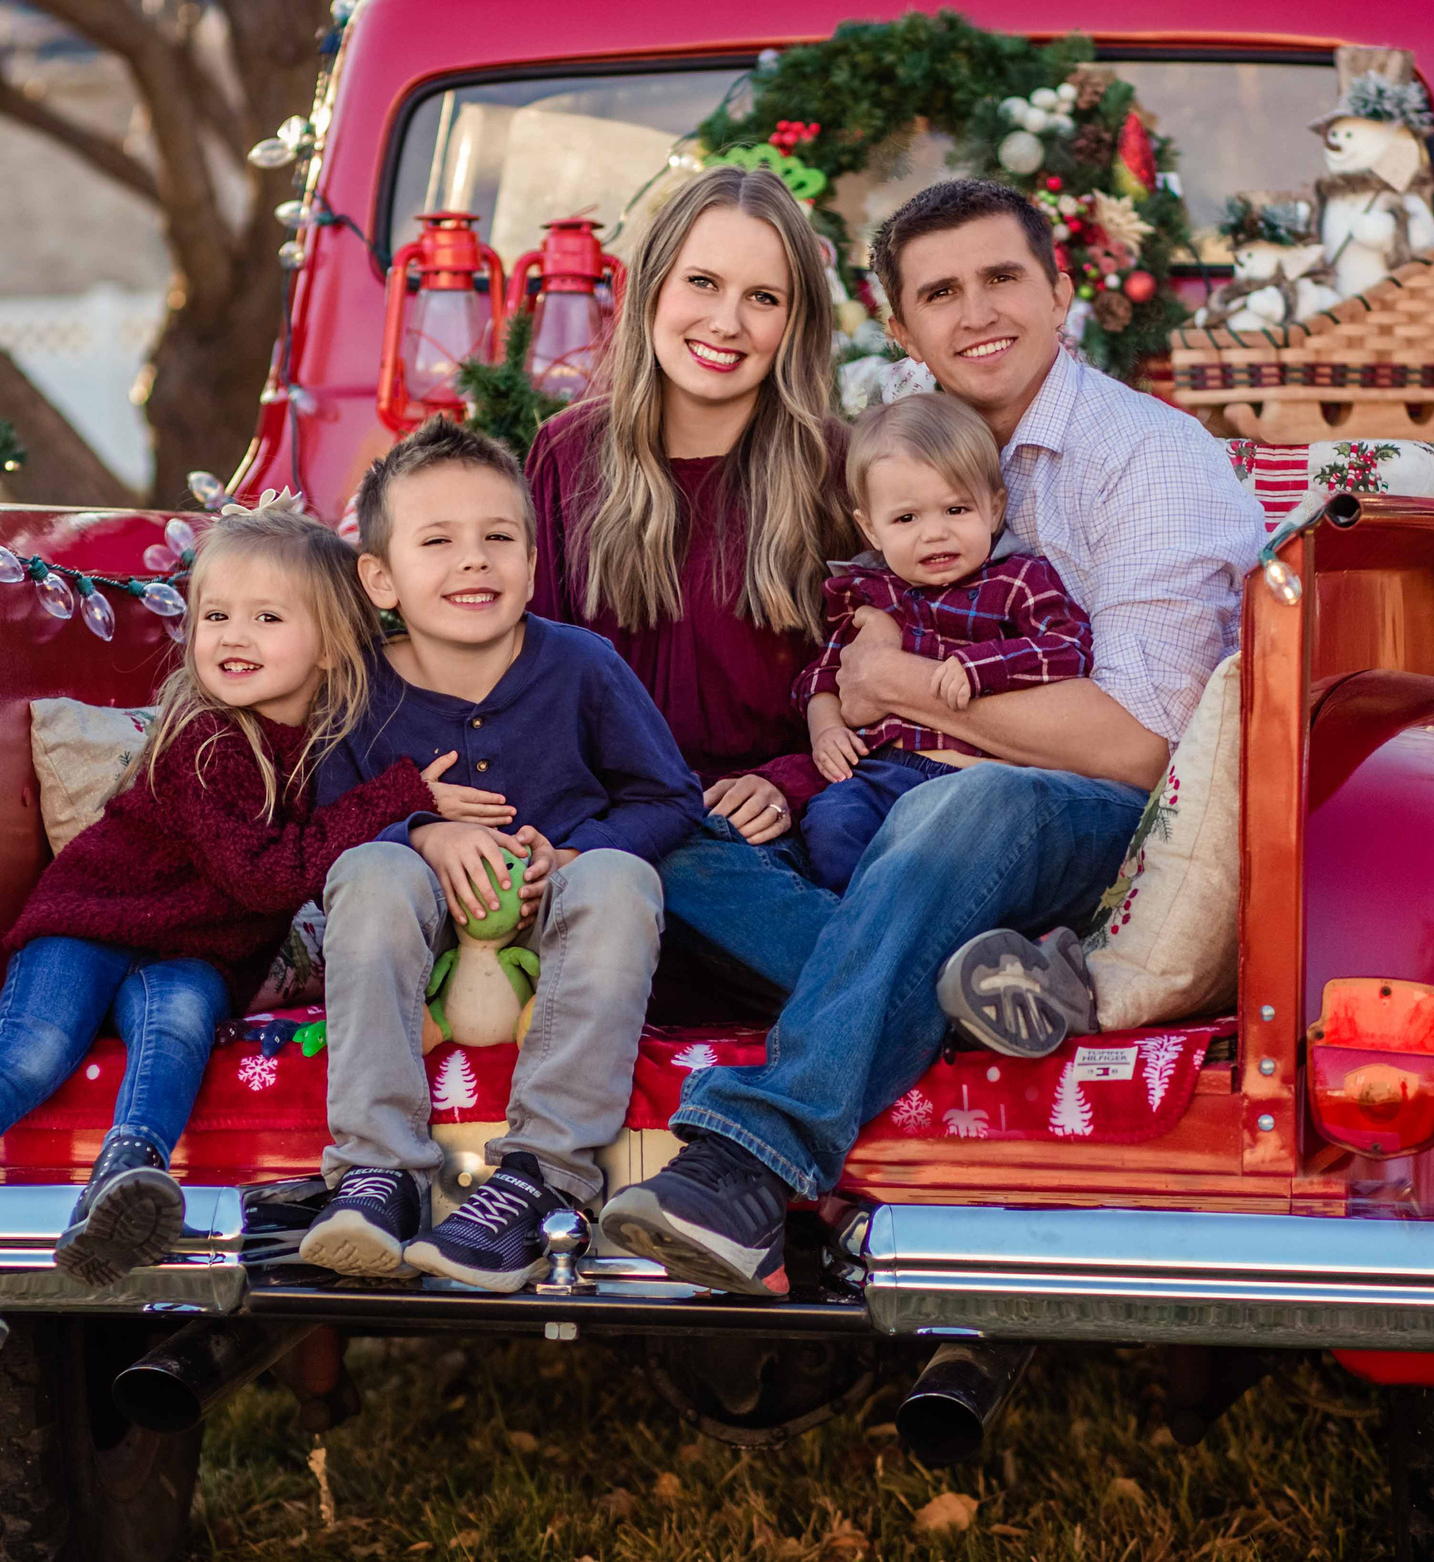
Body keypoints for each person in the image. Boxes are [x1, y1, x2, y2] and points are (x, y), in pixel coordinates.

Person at [600, 177, 1266, 1298]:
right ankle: (971, 989)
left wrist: (902, 682)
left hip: (1072, 825)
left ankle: (752, 1159)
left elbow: (1142, 750)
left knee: (960, 802)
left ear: (1062, 293)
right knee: (669, 849)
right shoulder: (895, 454)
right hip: (900, 831)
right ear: (900, 329)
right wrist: (827, 718)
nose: (976, 314)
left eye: (1003, 278)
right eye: (939, 293)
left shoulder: (1146, 460)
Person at [0, 501, 442, 1353]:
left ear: (329, 645)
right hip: (91, 920)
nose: (232, 635)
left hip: (187, 953)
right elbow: (268, 875)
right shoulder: (205, 740)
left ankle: (124, 1188)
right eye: (216, 615)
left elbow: (310, 859)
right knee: (33, 1045)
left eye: (265, 617)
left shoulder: (325, 748)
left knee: (178, 1025)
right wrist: (399, 796)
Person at [298, 422, 704, 1293]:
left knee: (620, 877)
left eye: (499, 538)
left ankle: (542, 1175)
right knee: (371, 870)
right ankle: (378, 1175)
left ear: (530, 560)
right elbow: (324, 832)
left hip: (553, 942)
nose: (473, 561)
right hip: (423, 957)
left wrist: (574, 855)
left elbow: (669, 799)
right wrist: (420, 832)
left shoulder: (583, 666)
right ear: (380, 577)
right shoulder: (357, 690)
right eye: (437, 541)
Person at [527, 165, 852, 893]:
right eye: (702, 282)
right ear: (652, 289)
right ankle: (886, 976)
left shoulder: (839, 467)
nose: (727, 322)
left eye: (762, 298)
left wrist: (788, 782)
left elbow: (878, 687)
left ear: (794, 323)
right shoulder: (567, 453)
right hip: (609, 834)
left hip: (776, 838)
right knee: (643, 868)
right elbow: (529, 674)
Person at [796, 391, 1094, 894]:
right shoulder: (866, 592)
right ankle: (863, 925)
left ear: (994, 509)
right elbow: (823, 675)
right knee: (830, 825)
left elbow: (1071, 647)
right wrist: (826, 730)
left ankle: (940, 937)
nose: (934, 534)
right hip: (881, 773)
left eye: (956, 509)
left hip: (975, 778)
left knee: (958, 855)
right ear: (870, 527)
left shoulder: (1018, 581)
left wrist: (984, 665)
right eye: (906, 519)